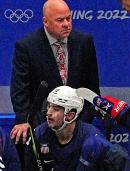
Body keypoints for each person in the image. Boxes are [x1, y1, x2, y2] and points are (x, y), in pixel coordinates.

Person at [10, 0, 100, 145]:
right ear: (46, 22)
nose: (66, 24)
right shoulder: (27, 46)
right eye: (60, 20)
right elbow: (20, 88)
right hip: (42, 118)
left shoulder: (84, 42)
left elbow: (91, 86)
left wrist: (85, 119)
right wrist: (23, 120)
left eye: (68, 18)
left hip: (78, 119)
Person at [22, 86, 107, 171]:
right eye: (48, 106)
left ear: (70, 115)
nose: (48, 113)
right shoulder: (39, 135)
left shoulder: (93, 138)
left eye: (56, 109)